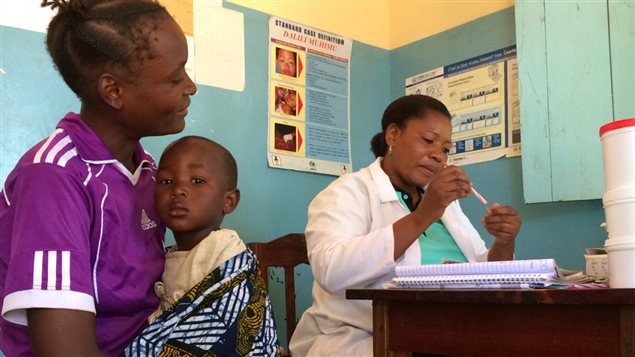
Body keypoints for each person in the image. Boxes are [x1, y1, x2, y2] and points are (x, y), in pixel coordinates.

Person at [0, 1, 197, 356]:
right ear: (114, 91)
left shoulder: (147, 170)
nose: (191, 86)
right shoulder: (54, 177)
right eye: (175, 76)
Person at [289, 94, 521, 356]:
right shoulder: (348, 192)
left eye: (445, 149)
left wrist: (504, 241)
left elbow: (484, 276)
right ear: (393, 136)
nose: (438, 156)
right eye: (428, 140)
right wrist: (423, 215)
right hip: (365, 336)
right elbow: (331, 270)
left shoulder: (445, 204)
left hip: (451, 332)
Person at [123, 136, 279, 356]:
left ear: (229, 201)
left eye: (197, 181)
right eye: (166, 181)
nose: (178, 190)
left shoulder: (228, 258)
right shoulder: (164, 258)